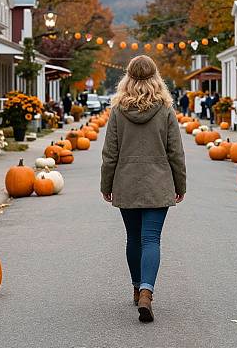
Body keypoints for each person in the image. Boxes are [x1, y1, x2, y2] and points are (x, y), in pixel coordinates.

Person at [101, 55, 187, 323]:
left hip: (126, 183)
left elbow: (109, 154)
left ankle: (138, 288)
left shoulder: (118, 111)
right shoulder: (164, 109)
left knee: (133, 239)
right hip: (158, 184)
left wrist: (106, 185)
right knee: (151, 239)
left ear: (127, 77)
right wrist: (180, 184)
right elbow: (176, 153)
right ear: (155, 77)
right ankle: (148, 292)